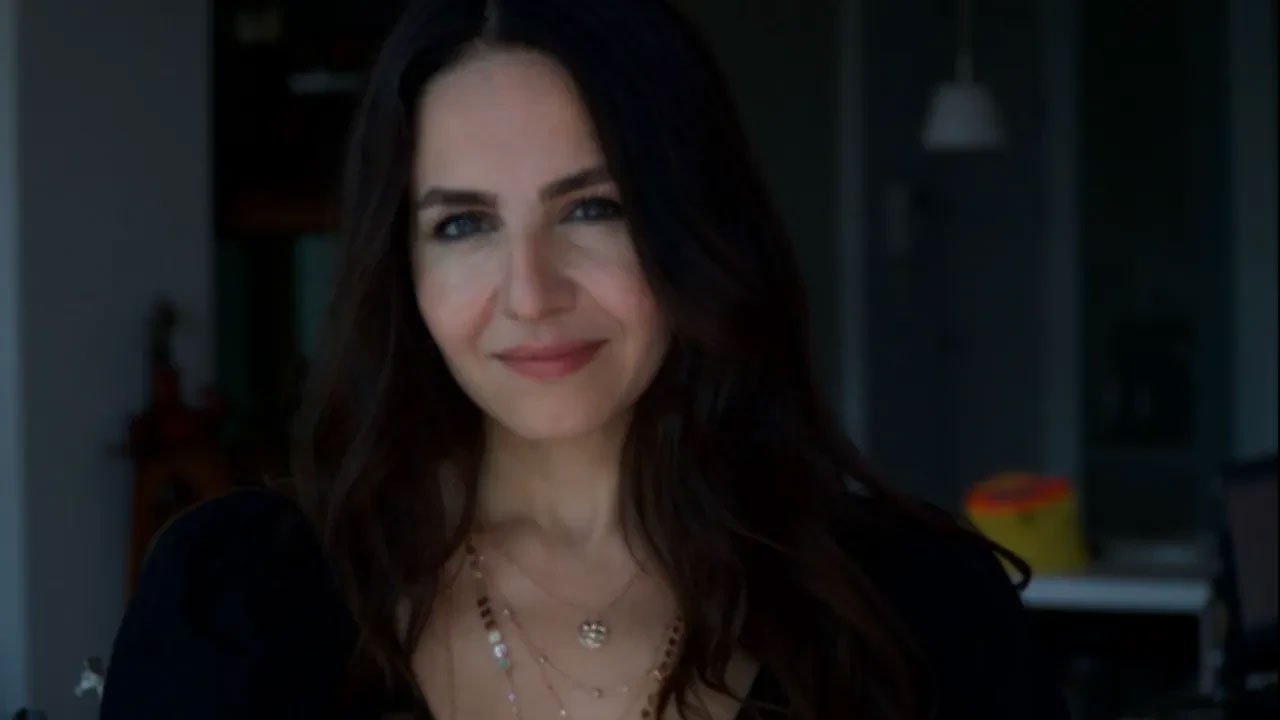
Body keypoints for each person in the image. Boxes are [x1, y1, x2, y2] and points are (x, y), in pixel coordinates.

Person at [101, 1, 1068, 718]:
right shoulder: (239, 600)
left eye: (592, 208)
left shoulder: (918, 614)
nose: (531, 292)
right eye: (464, 224)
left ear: (696, 230)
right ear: (403, 269)